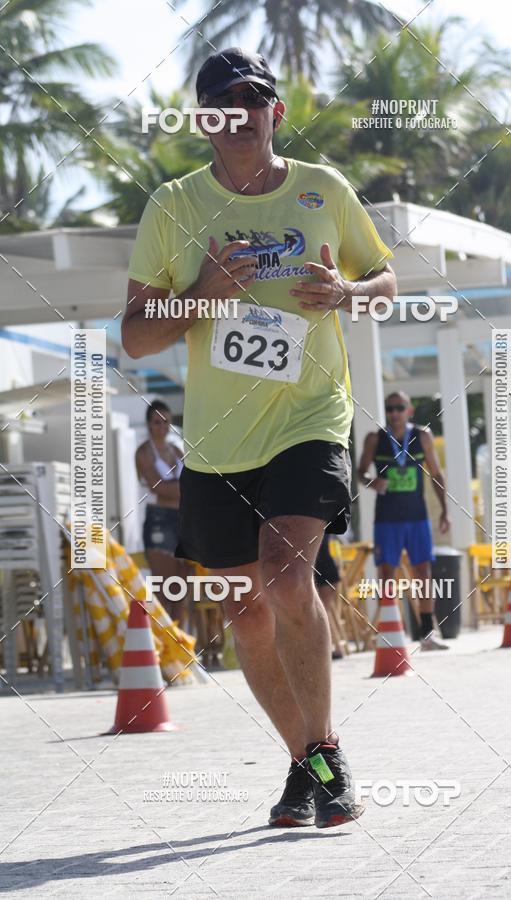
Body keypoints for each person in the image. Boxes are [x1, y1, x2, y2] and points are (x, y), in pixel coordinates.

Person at [122, 47, 396, 828]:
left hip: (310, 417)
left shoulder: (322, 189)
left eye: (253, 99)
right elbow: (135, 337)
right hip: (218, 442)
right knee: (246, 613)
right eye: (223, 101)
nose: (239, 113)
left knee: (284, 575)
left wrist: (347, 291)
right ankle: (305, 762)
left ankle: (328, 754)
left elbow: (386, 284)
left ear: (276, 112)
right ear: (203, 119)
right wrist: (204, 295)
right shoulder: (174, 205)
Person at [357, 391, 450, 650]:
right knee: (387, 572)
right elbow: (360, 472)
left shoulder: (422, 436)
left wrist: (445, 511)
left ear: (409, 410)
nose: (394, 413)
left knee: (423, 572)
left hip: (417, 516)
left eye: (399, 408)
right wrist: (372, 482)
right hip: (387, 519)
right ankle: (390, 631)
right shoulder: (375, 438)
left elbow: (436, 474)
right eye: (390, 408)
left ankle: (427, 634)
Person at [135, 400, 189, 622]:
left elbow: (180, 486)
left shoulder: (175, 450)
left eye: (166, 422)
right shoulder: (144, 452)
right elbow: (158, 487)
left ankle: (178, 638)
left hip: (182, 520)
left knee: (181, 590)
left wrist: (178, 489)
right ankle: (160, 637)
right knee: (164, 588)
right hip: (159, 520)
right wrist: (185, 489)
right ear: (148, 424)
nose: (162, 427)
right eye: (157, 422)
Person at [314, 535, 347, 659]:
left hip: (326, 576)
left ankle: (334, 648)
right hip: (329, 574)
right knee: (324, 612)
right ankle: (336, 647)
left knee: (322, 613)